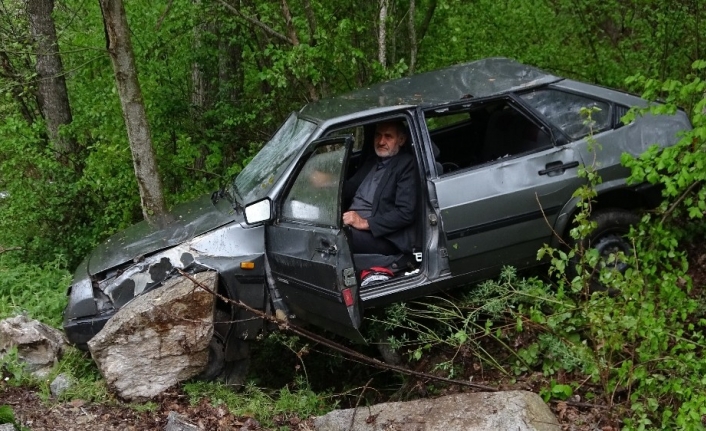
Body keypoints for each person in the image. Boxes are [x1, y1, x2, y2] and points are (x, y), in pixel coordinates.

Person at [341, 121, 418, 257]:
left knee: (333, 239)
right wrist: (327, 182)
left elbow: (405, 213)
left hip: (384, 237)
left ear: (401, 140)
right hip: (352, 225)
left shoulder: (406, 165)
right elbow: (350, 188)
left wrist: (364, 222)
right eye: (378, 135)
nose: (381, 141)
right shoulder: (373, 161)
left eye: (388, 137)